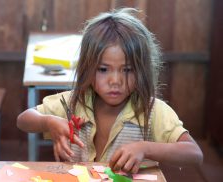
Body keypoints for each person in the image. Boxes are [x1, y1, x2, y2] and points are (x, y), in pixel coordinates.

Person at [17, 8, 203, 173]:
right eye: (103, 69)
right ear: (87, 68)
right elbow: (24, 120)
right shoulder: (73, 103)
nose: (116, 81)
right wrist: (48, 122)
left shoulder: (151, 110)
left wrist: (145, 148)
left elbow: (194, 154)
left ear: (142, 70)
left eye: (128, 70)